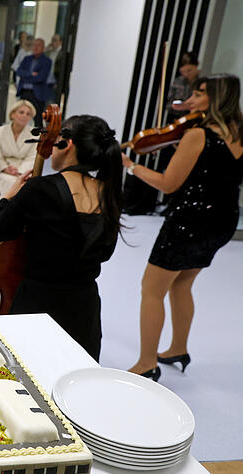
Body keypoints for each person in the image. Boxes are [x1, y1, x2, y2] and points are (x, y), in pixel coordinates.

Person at [0, 114, 125, 361]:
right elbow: (104, 253)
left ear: (68, 144)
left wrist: (10, 196)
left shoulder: (40, 190)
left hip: (36, 313)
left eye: (55, 142)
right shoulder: (109, 194)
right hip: (84, 315)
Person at [125, 74, 243, 380]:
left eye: (200, 93)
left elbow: (168, 184)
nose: (192, 98)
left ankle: (146, 363)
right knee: (182, 284)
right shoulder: (239, 133)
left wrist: (132, 166)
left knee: (152, 289)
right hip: (222, 221)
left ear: (216, 97)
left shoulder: (197, 135)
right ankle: (178, 347)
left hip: (190, 220)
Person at [0, 99, 37, 195]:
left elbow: (32, 158)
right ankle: (5, 208)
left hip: (24, 173)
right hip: (3, 172)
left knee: (25, 185)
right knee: (11, 183)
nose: (24, 116)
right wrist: (6, 169)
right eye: (21, 112)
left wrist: (20, 173)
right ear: (12, 114)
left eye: (28, 114)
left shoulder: (35, 135)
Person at [15, 38, 52, 127]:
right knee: (21, 116)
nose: (35, 48)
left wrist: (26, 77)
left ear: (43, 48)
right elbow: (19, 72)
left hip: (36, 94)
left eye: (38, 46)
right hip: (24, 92)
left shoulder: (47, 61)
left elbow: (40, 78)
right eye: (34, 45)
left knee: (37, 118)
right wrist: (31, 74)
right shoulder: (27, 59)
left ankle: (37, 138)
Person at [167, 52, 200, 121]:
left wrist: (188, 107)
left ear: (197, 66)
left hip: (195, 119)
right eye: (182, 72)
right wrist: (175, 106)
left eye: (189, 71)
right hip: (177, 118)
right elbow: (168, 104)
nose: (186, 75)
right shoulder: (178, 81)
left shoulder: (204, 82)